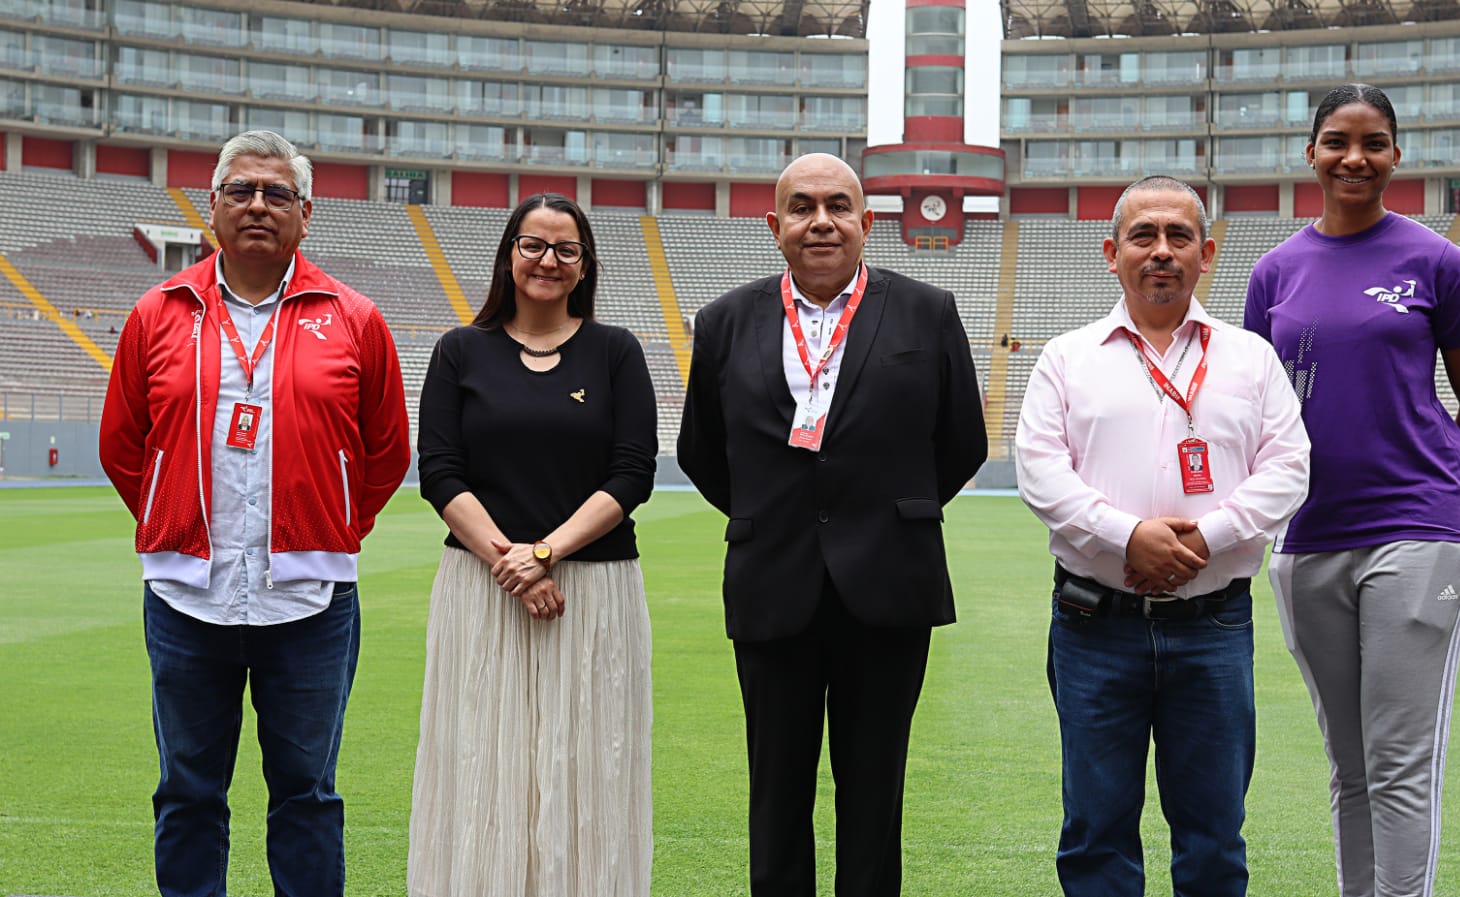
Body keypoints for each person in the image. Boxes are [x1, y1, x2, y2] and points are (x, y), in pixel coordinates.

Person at [99, 130, 411, 896]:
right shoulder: (158, 310)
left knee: (307, 794)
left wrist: (329, 528)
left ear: (306, 214)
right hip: (186, 596)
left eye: (277, 194)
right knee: (188, 792)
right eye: (241, 191)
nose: (258, 206)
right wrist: (175, 519)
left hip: (310, 600)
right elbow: (123, 446)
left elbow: (386, 453)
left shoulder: (355, 317)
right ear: (212, 207)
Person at [677, 153, 987, 897]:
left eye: (839, 206)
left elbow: (962, 441)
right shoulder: (724, 320)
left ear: (865, 222)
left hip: (888, 582)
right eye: (803, 206)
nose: (822, 221)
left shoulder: (927, 310)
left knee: (874, 794)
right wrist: (775, 518)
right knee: (776, 794)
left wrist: (884, 516)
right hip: (772, 582)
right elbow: (701, 450)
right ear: (773, 224)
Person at [1015, 175, 1311, 897]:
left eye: (1179, 237)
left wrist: (1203, 539)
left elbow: (1290, 465)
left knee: (1213, 837)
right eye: (1143, 236)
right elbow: (1040, 470)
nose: (1161, 251)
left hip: (1212, 626)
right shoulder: (1067, 358)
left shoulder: (1250, 358)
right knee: (1095, 833)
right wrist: (1128, 536)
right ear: (1110, 251)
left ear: (1206, 252)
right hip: (1094, 626)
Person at [1244, 84, 1460, 897]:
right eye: (1337, 140)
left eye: (1374, 141)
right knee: (1349, 764)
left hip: (1418, 531)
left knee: (1397, 760)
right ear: (1310, 152)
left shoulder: (1437, 261)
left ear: (1396, 154)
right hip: (1310, 537)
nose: (1354, 156)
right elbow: (1254, 404)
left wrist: (1450, 507)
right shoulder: (1274, 272)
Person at [408, 193, 657, 897]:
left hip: (593, 592)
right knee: (481, 762)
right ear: (508, 254)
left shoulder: (616, 352)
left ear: (585, 266)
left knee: (590, 768)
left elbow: (632, 470)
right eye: (533, 244)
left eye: (566, 248)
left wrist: (545, 553)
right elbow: (440, 472)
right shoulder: (460, 351)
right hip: (481, 591)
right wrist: (511, 562)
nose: (548, 259)